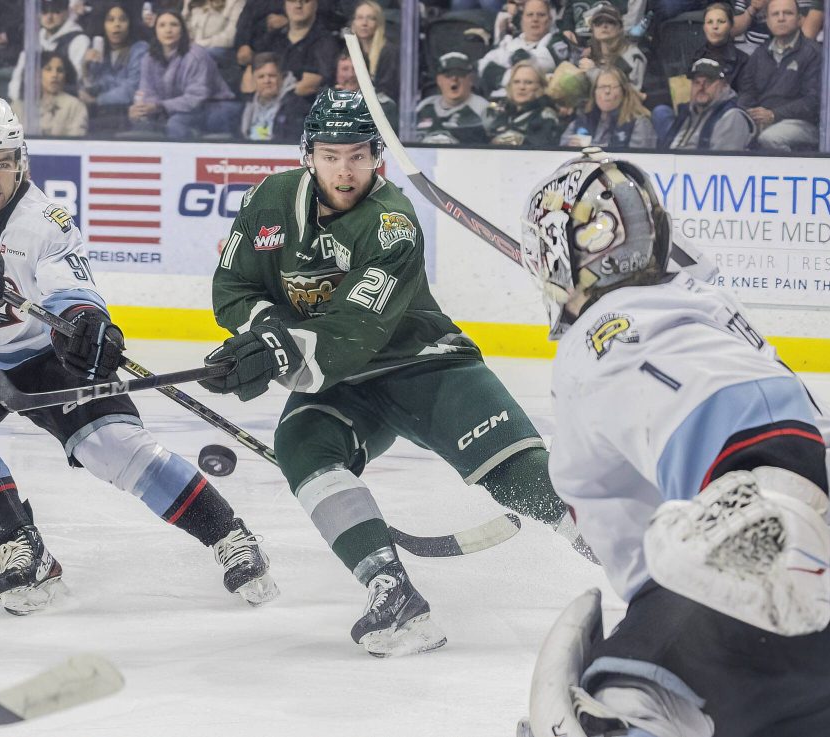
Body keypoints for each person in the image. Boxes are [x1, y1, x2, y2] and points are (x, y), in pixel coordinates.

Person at [200, 88, 589, 657]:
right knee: (301, 442)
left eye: (358, 154)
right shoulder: (271, 200)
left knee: (526, 481)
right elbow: (233, 288)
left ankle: (660, 567)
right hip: (344, 385)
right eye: (331, 154)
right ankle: (393, 591)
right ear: (308, 154)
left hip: (424, 365)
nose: (344, 169)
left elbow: (356, 328)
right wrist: (263, 332)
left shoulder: (392, 223)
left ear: (376, 156)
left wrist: (282, 350)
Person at [0, 98, 278, 615]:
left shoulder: (47, 219)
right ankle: (20, 546)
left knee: (114, 444)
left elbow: (74, 295)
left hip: (33, 353)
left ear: (22, 159)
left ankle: (228, 535)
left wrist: (88, 327)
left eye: (3, 161)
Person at [519, 147, 830, 737]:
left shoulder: (618, 327)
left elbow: (741, 408)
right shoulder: (689, 305)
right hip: (829, 625)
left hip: (792, 592)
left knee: (632, 702)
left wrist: (769, 511)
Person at [129, 8, 239, 140]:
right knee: (140, 121)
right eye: (162, 25)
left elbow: (196, 98)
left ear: (182, 30)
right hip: (171, 109)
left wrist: (160, 106)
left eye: (174, 25)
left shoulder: (196, 55)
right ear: (155, 31)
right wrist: (143, 109)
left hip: (212, 108)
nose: (168, 30)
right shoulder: (149, 58)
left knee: (176, 123)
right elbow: (147, 91)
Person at [737, 0, 821, 151]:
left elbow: (813, 101)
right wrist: (749, 113)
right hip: (762, 121)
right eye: (775, 14)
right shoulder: (759, 53)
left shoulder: (813, 53)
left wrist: (774, 114)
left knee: (770, 138)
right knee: (730, 129)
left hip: (803, 124)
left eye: (788, 13)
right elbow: (747, 92)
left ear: (799, 19)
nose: (781, 18)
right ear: (767, 21)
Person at [79, 3, 148, 134]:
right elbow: (91, 88)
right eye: (110, 20)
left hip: (127, 114)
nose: (117, 25)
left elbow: (131, 89)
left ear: (130, 23)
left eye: (122, 19)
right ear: (103, 25)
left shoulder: (140, 49)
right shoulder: (99, 50)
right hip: (100, 114)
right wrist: (85, 69)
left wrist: (97, 100)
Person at [658, 57, 755, 150]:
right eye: (697, 82)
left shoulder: (732, 117)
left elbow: (723, 164)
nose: (701, 87)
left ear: (723, 85)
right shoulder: (686, 113)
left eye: (708, 82)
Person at [478, 0, 571, 94]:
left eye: (541, 15)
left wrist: (499, 73)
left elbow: (536, 68)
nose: (535, 19)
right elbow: (482, 65)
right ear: (522, 19)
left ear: (550, 19)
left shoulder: (557, 41)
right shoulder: (509, 42)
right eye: (530, 15)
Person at [8, 0, 90, 101]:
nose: (49, 17)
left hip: (64, 104)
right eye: (44, 12)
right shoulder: (34, 40)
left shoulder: (79, 40)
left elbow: (75, 81)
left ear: (66, 12)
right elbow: (17, 78)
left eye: (56, 11)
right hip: (30, 104)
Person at [559, 66, 655, 149]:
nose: (607, 91)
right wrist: (570, 147)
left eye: (613, 87)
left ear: (624, 91)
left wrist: (591, 148)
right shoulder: (582, 121)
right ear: (594, 93)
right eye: (602, 87)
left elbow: (639, 161)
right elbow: (560, 151)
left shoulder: (639, 124)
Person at [414, 52, 490, 145]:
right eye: (448, 74)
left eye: (460, 73)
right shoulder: (425, 106)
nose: (454, 78)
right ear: (439, 80)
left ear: (471, 79)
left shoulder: (482, 108)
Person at [484, 60, 561, 146]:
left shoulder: (546, 117)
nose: (521, 87)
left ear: (540, 87)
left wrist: (520, 140)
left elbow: (543, 150)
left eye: (528, 82)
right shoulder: (502, 113)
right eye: (516, 82)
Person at [13, 50, 89, 137]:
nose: (54, 75)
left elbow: (76, 143)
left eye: (59, 70)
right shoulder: (19, 106)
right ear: (37, 74)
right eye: (48, 69)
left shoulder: (75, 106)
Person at [578, 2, 646, 91]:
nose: (604, 26)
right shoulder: (591, 55)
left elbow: (631, 92)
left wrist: (592, 72)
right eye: (598, 23)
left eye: (610, 22)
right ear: (593, 29)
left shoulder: (633, 56)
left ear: (620, 28)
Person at [239, 51, 301, 141]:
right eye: (261, 77)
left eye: (272, 76)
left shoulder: (296, 107)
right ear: (254, 81)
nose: (267, 81)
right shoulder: (245, 108)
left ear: (281, 78)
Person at [691, 2, 749, 93]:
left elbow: (745, 98)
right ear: (704, 27)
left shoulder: (743, 61)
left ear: (731, 25)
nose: (715, 27)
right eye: (709, 22)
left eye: (721, 21)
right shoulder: (695, 56)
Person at [347, 0, 397, 100]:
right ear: (354, 22)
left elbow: (387, 91)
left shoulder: (389, 52)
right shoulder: (347, 51)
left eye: (371, 18)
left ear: (378, 23)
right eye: (360, 18)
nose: (364, 23)